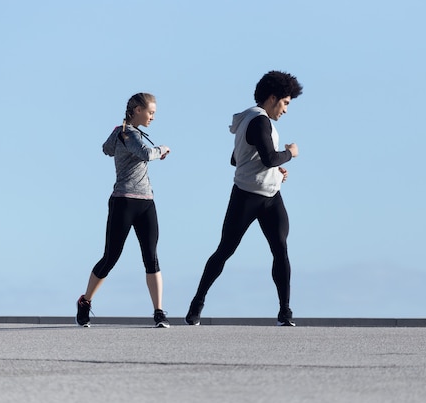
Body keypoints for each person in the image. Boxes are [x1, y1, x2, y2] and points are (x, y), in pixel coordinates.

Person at [185, 70, 303, 326]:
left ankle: (285, 311)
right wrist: (289, 153)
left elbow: (236, 159)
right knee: (225, 250)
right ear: (273, 98)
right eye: (285, 103)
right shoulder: (258, 121)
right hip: (247, 198)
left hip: (272, 196)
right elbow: (269, 158)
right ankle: (197, 304)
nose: (285, 110)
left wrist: (274, 170)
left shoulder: (250, 120)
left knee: (280, 249)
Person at [76, 93, 171, 328]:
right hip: (123, 201)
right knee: (111, 257)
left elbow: (107, 149)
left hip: (146, 202)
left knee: (152, 257)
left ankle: (159, 312)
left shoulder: (124, 132)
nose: (153, 117)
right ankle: (85, 301)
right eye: (150, 112)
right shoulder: (127, 133)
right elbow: (145, 154)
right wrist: (161, 149)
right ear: (137, 110)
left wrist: (119, 136)